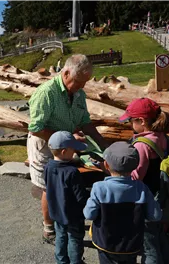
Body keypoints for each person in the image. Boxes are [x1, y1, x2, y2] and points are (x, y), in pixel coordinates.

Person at [27, 54, 109, 244]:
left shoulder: (79, 93)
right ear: (65, 73)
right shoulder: (46, 93)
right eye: (79, 82)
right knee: (49, 186)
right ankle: (49, 228)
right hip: (44, 143)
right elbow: (36, 128)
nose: (82, 87)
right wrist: (68, 138)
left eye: (85, 82)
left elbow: (85, 122)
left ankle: (67, 218)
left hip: (67, 143)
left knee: (67, 181)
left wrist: (102, 143)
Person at [84, 142, 162, 264]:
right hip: (131, 245)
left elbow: (89, 214)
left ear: (106, 165)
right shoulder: (141, 188)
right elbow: (156, 215)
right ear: (135, 166)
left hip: (105, 243)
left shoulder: (99, 188)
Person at [119, 98, 169, 264]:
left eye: (130, 121)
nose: (129, 124)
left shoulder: (142, 145)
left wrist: (115, 172)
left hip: (147, 201)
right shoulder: (165, 138)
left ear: (141, 121)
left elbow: (136, 176)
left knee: (149, 247)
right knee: (158, 236)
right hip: (164, 197)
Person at [44, 131, 89, 264]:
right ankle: (75, 261)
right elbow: (80, 197)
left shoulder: (48, 166)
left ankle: (61, 260)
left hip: (57, 212)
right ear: (64, 152)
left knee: (61, 236)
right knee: (75, 238)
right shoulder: (72, 172)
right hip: (73, 214)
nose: (75, 151)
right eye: (73, 149)